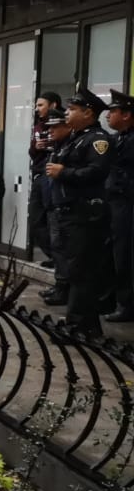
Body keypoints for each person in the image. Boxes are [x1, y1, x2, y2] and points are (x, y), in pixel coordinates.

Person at [46, 88, 113, 336]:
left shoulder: (97, 140)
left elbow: (97, 172)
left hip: (84, 214)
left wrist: (64, 173)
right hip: (68, 212)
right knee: (75, 271)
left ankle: (77, 326)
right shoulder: (75, 138)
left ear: (88, 113)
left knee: (81, 271)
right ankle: (86, 325)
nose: (67, 113)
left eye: (73, 109)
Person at [103, 90, 134, 322]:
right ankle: (120, 300)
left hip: (127, 203)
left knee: (125, 255)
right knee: (116, 254)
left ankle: (127, 305)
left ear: (126, 115)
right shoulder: (119, 138)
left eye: (112, 112)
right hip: (115, 203)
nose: (108, 116)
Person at [40, 111, 73, 307]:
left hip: (65, 204)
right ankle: (60, 284)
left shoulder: (73, 145)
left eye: (54, 127)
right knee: (57, 245)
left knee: (62, 246)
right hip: (53, 201)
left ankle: (65, 288)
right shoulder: (58, 146)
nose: (50, 131)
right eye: (49, 128)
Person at [29, 92, 63, 266]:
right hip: (40, 173)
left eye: (41, 105)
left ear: (53, 105)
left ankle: (59, 259)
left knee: (53, 220)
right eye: (36, 105)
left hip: (54, 176)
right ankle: (52, 255)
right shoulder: (38, 126)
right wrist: (36, 147)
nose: (37, 109)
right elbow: (32, 153)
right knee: (35, 219)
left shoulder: (64, 124)